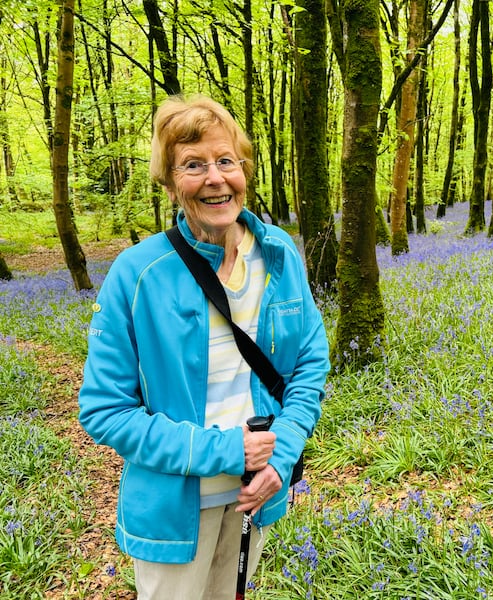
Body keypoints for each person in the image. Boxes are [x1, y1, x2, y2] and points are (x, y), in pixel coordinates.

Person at [78, 94, 330, 599]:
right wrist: (223, 449)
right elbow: (104, 410)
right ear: (171, 183)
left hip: (253, 496)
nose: (215, 178)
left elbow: (308, 363)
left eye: (225, 161)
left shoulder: (279, 253)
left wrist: (280, 456)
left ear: (244, 170)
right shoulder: (137, 274)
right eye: (193, 165)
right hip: (172, 514)